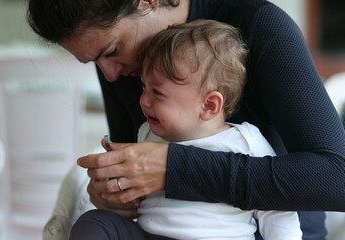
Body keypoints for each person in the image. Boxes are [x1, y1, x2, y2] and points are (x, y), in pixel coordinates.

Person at [27, 0, 345, 239]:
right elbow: (134, 163)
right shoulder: (123, 65)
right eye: (94, 62)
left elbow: (337, 178)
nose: (110, 75)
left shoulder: (259, 26)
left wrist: (176, 169)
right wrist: (116, 191)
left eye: (111, 50)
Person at [70, 19, 302, 240]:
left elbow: (276, 210)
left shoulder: (245, 142)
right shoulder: (146, 134)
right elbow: (137, 201)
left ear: (209, 105)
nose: (144, 101)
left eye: (157, 93)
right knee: (95, 222)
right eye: (144, 87)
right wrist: (119, 194)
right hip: (149, 235)